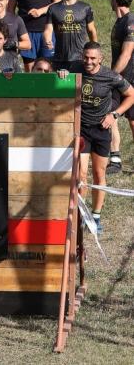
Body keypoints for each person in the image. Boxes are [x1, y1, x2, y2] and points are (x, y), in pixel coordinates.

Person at [58, 42, 134, 233]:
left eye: (93, 58)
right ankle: (81, 216)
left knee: (99, 175)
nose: (89, 62)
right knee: (81, 175)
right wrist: (62, 75)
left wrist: (114, 115)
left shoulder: (110, 76)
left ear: (100, 59)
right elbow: (56, 74)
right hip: (81, 130)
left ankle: (96, 216)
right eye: (86, 57)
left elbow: (131, 95)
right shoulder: (75, 68)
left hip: (100, 132)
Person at [43, 0, 97, 71]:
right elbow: (48, 29)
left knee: (79, 85)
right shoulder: (53, 8)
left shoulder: (85, 7)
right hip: (59, 58)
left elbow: (91, 30)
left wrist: (95, 51)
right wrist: (48, 40)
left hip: (80, 58)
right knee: (61, 86)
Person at [107, 0, 134, 175]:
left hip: (129, 76)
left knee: (133, 120)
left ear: (115, 0)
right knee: (110, 112)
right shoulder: (120, 21)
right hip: (119, 77)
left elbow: (126, 54)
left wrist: (110, 76)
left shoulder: (131, 22)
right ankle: (115, 158)